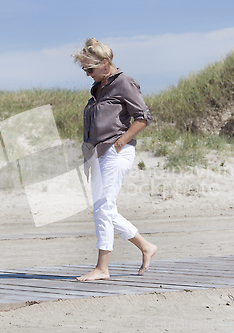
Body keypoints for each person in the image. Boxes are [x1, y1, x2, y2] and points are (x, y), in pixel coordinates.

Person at [72, 38, 157, 281]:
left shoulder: (124, 82)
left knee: (103, 208)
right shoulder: (99, 87)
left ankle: (102, 268)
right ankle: (145, 246)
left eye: (90, 69)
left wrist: (120, 142)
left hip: (115, 151)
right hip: (97, 154)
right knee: (104, 209)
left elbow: (142, 117)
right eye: (84, 70)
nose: (87, 74)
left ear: (106, 63)